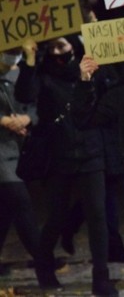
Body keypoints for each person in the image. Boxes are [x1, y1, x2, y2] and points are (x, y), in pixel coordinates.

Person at [18, 35, 117, 296]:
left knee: (97, 216)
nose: (57, 52)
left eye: (62, 46)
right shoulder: (43, 73)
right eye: (52, 48)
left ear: (74, 45)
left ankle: (101, 278)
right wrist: (29, 60)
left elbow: (110, 87)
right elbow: (25, 93)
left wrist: (98, 38)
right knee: (57, 217)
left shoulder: (88, 67)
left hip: (90, 150)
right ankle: (44, 268)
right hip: (58, 153)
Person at [0, 42, 41, 276]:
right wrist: (3, 120)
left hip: (20, 148)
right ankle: (43, 260)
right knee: (21, 202)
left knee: (6, 209)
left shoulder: (25, 71)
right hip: (1, 150)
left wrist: (28, 119)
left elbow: (35, 102)